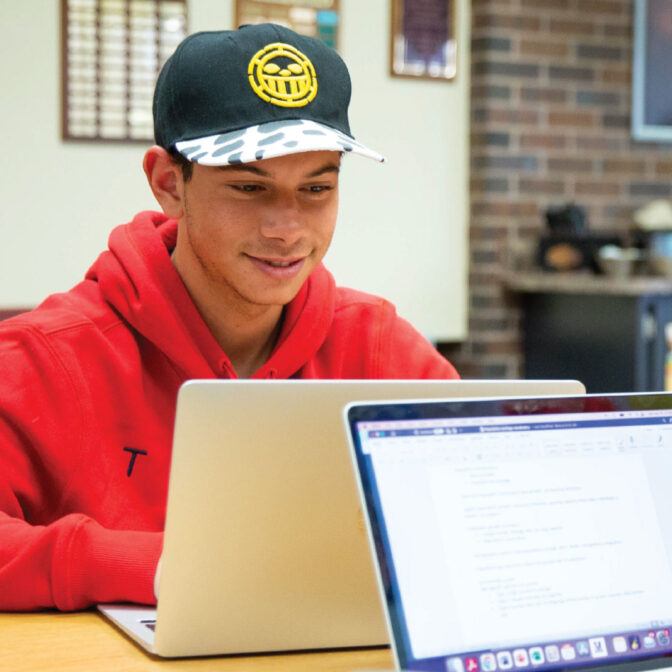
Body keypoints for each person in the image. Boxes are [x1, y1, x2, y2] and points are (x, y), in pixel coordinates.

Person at [0, 23, 458, 612]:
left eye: (316, 188)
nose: (287, 228)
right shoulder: (44, 358)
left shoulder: (378, 349)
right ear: (170, 184)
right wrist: (163, 568)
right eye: (248, 187)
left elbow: (481, 508)